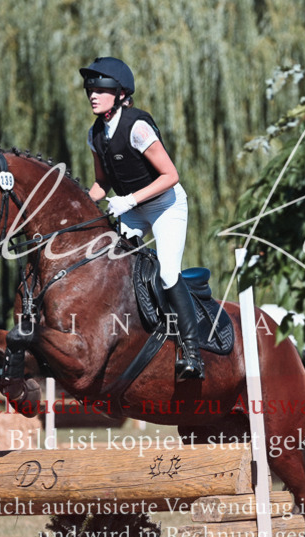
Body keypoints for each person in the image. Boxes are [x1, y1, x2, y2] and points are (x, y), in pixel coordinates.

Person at [80, 56, 204, 381]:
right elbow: (101, 184)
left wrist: (130, 200)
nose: (92, 94)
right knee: (111, 268)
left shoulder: (137, 127)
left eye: (100, 88)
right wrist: (76, 203)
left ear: (120, 93)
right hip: (130, 208)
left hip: (166, 205)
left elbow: (171, 175)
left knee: (166, 272)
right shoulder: (95, 134)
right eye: (89, 88)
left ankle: (192, 352)